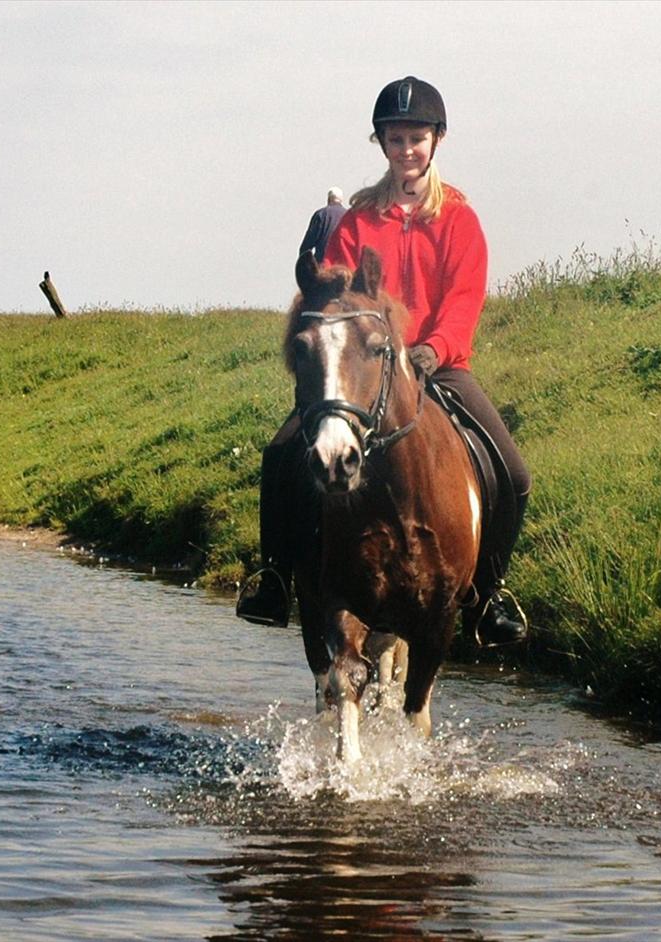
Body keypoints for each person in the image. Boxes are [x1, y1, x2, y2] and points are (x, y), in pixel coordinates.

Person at [238, 76, 531, 646]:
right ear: (382, 145)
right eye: (396, 139)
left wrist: (432, 349)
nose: (407, 150)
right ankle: (273, 577)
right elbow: (333, 293)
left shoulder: (459, 220)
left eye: (417, 137)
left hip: (437, 364)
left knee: (513, 475)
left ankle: (487, 597)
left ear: (436, 140)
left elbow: (465, 299)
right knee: (280, 455)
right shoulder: (357, 220)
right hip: (361, 368)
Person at [297, 186, 347, 263]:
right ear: (341, 200)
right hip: (344, 267)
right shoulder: (348, 216)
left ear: (328, 199)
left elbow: (308, 244)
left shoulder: (321, 215)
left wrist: (303, 263)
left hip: (323, 265)